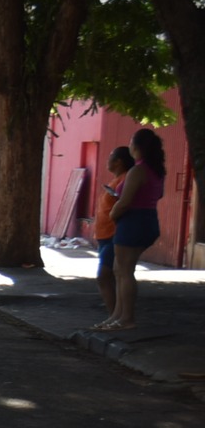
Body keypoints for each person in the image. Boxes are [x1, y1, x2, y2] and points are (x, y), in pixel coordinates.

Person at [94, 128, 166, 331]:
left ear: (137, 147)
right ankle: (116, 316)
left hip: (133, 221)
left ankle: (126, 318)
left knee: (124, 271)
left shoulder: (138, 170)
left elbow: (125, 202)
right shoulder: (156, 170)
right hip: (146, 219)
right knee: (119, 270)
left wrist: (113, 214)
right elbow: (157, 195)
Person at [92, 145, 133, 323]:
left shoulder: (125, 180)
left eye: (110, 157)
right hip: (105, 235)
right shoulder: (115, 181)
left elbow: (125, 204)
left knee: (104, 275)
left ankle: (116, 316)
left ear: (118, 162)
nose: (107, 161)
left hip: (114, 235)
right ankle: (116, 315)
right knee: (111, 276)